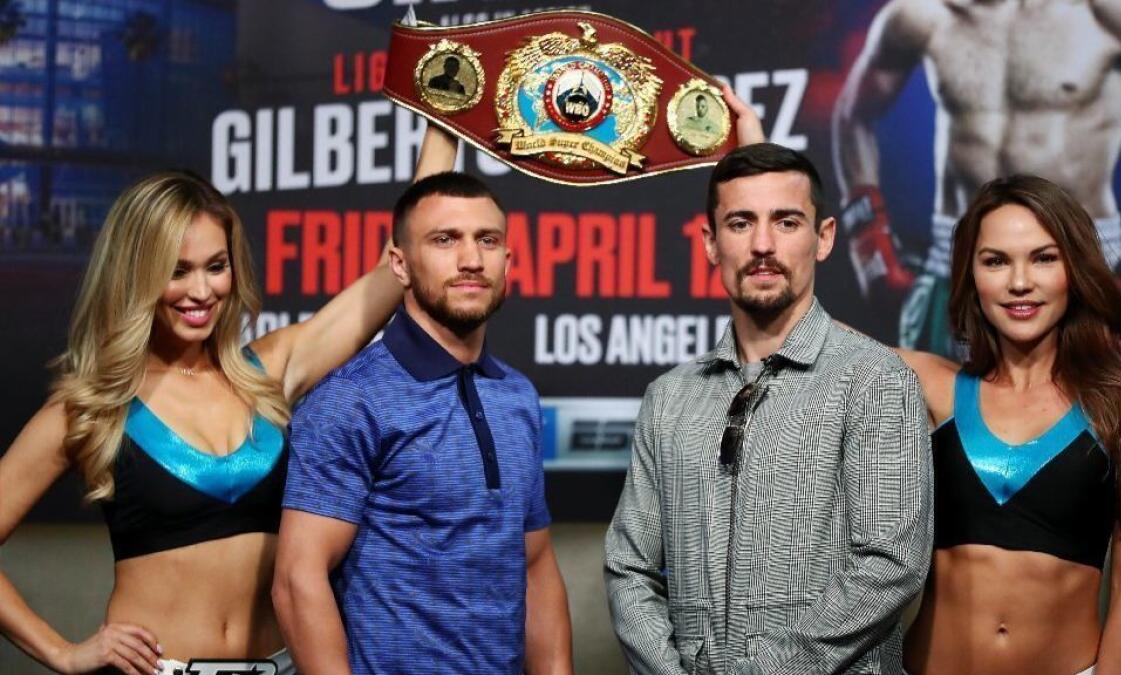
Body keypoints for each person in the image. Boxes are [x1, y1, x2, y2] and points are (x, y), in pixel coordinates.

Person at [0, 128, 458, 674]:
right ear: (136, 275)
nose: (202, 292)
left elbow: (394, 269)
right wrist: (63, 652)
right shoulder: (91, 406)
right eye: (177, 271)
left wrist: (443, 120)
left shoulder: (270, 373)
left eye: (216, 266)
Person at [604, 142, 933, 674]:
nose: (762, 244)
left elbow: (890, 564)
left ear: (822, 238)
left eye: (785, 222)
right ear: (710, 243)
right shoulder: (669, 397)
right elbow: (628, 566)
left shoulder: (875, 380)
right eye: (740, 223)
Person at [272, 171, 572, 675]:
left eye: (487, 240)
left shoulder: (517, 395)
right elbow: (298, 580)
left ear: (508, 261)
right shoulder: (350, 398)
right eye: (444, 240)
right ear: (400, 264)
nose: (471, 259)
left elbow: (535, 564)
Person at [897, 175, 1121, 675]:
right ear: (969, 276)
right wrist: (765, 171)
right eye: (995, 261)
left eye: (1043, 258)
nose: (1019, 282)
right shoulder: (931, 386)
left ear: (1074, 268)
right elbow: (807, 330)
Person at [832, 0, 1121, 355]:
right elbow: (853, 114)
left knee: (1089, 416)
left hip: (1080, 261)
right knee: (933, 413)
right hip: (954, 259)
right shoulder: (925, 13)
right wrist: (868, 240)